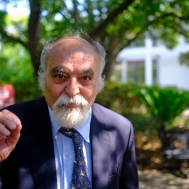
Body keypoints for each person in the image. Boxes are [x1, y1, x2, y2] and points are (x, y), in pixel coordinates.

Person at [0, 29, 139, 189]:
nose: (73, 91)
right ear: (42, 78)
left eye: (85, 78)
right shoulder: (7, 129)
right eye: (60, 76)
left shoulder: (120, 130)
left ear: (99, 84)